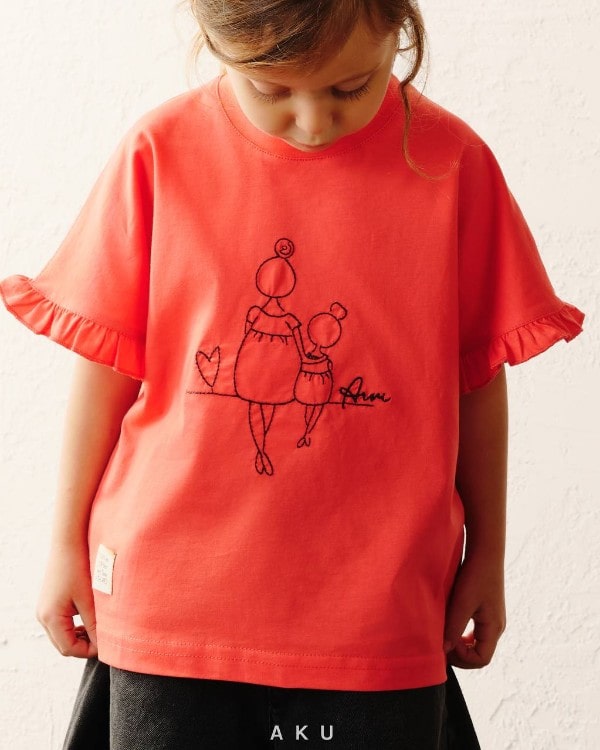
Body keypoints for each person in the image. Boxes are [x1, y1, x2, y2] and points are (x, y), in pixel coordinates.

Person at [0, 1, 586, 748]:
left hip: (375, 619)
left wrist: (489, 556)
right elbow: (107, 365)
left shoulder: (452, 166)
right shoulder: (159, 153)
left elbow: (476, 380)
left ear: (398, 28)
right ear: (215, 42)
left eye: (350, 87)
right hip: (172, 613)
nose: (312, 122)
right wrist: (63, 545)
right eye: (271, 90)